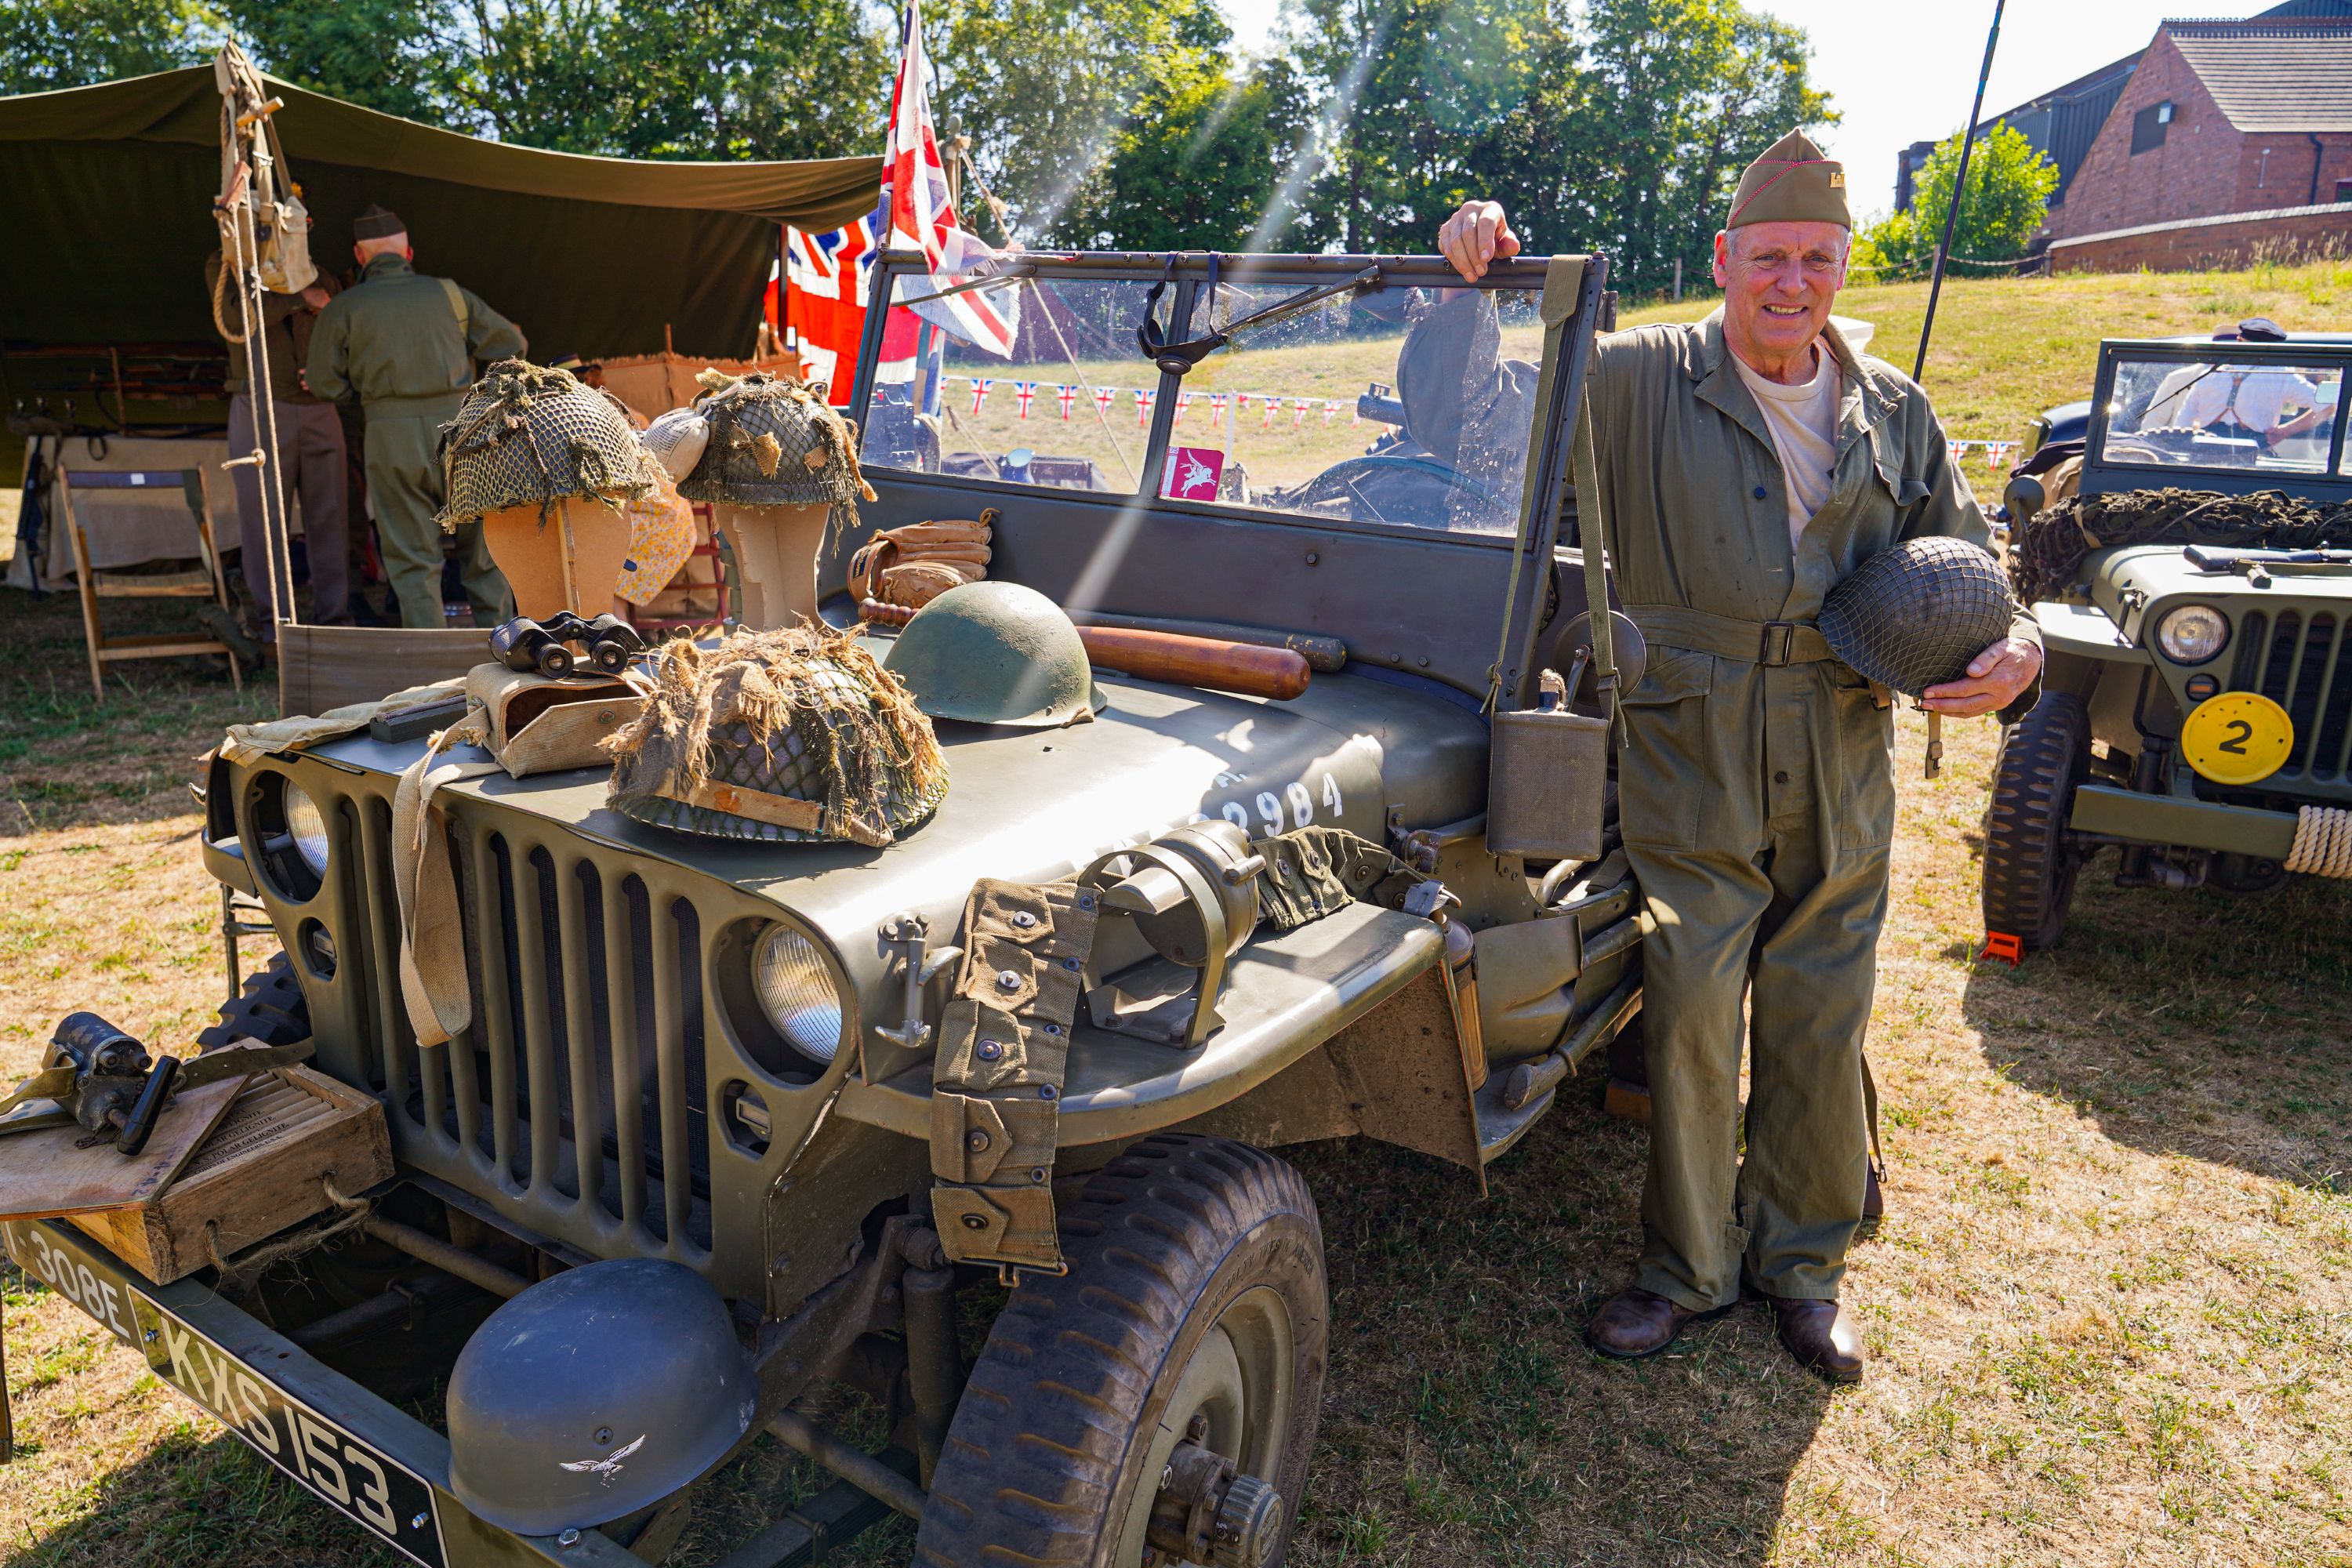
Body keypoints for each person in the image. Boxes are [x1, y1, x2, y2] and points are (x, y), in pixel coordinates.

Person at [1436, 129, 2044, 1383]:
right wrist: (1474, 290)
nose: (1792, 282)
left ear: (1842, 264)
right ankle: (1687, 1272)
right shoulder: (1635, 378)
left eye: (1818, 258)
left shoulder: (1893, 408)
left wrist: (2018, 647)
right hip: (1688, 734)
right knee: (1696, 1012)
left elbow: (1977, 567)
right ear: (1724, 259)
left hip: (1841, 734)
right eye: (1769, 255)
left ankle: (1805, 1270)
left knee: (1824, 1009)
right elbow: (1486, 432)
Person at [307, 205, 527, 629]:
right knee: (484, 551)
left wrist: (368, 397)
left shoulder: (344, 307)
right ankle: (501, 649)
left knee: (411, 558)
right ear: (408, 253)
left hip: (389, 437)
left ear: (358, 255)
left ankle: (433, 671)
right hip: (467, 431)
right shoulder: (450, 293)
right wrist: (483, 394)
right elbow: (510, 342)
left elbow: (323, 384)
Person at [204, 250, 349, 636]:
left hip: (319, 407)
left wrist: (327, 371)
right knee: (264, 521)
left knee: (331, 515)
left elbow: (342, 332)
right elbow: (235, 320)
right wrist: (300, 300)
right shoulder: (225, 266)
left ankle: (334, 620)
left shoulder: (319, 270)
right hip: (260, 405)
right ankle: (275, 625)